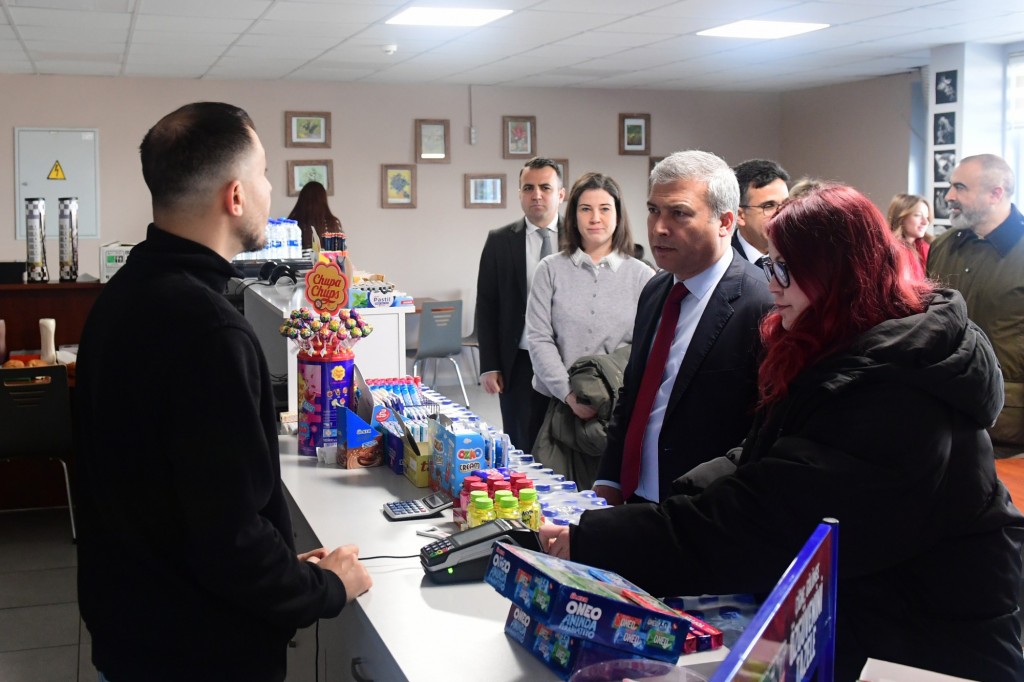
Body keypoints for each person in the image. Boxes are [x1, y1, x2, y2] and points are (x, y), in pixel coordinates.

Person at [543, 183, 1024, 682]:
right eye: (768, 265)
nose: (770, 284)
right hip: (880, 616)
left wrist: (598, 540)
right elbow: (768, 452)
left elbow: (760, 519)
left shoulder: (895, 392)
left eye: (784, 270)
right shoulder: (858, 343)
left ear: (835, 273)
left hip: (928, 647)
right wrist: (675, 498)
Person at [75, 102, 372, 682]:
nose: (268, 188)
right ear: (235, 196)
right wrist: (328, 588)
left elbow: (175, 493)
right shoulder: (209, 330)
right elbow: (228, 543)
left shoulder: (123, 295)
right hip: (198, 650)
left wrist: (287, 566)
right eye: (262, 174)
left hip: (134, 626)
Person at [591, 150, 773, 505]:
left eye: (679, 213)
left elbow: (761, 434)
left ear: (725, 222)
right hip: (635, 498)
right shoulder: (657, 289)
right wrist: (609, 479)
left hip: (701, 510)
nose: (659, 227)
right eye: (653, 210)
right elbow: (635, 392)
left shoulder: (761, 304)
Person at [526, 172, 654, 484]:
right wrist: (569, 394)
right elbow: (539, 338)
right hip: (558, 407)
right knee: (553, 504)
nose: (595, 218)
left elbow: (646, 348)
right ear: (573, 215)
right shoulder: (550, 270)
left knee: (608, 505)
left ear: (619, 214)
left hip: (616, 415)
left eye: (605, 208)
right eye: (585, 209)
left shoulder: (644, 276)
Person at [927, 154, 1024, 456]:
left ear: (996, 193)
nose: (949, 196)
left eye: (960, 187)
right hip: (944, 416)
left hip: (1008, 431)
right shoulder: (942, 246)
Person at [476, 157, 565, 451]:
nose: (536, 194)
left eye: (545, 187)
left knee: (566, 441)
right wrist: (489, 365)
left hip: (570, 358)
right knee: (522, 442)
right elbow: (487, 305)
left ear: (561, 194)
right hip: (519, 362)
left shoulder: (580, 239)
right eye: (528, 187)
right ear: (519, 194)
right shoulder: (500, 241)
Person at [731, 158, 790, 261]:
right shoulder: (720, 259)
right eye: (769, 206)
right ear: (739, 215)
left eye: (786, 204)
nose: (781, 213)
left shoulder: (798, 257)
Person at [886, 193, 932, 280]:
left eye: (927, 217)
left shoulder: (929, 248)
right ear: (901, 217)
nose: (925, 222)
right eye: (918, 215)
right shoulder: (889, 252)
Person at [287, 179, 341, 250]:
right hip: (328, 261)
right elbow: (340, 253)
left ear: (302, 200)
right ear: (323, 200)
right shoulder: (332, 223)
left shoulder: (293, 223)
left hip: (299, 261)